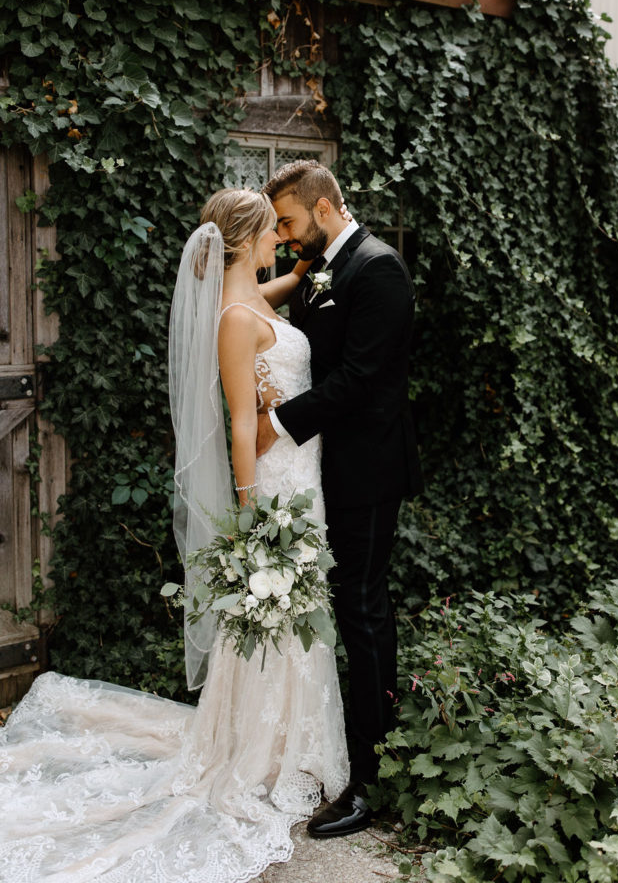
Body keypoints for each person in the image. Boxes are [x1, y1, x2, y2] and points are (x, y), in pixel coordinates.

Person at [0, 188, 349, 883]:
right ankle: (263, 749)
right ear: (247, 239)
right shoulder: (232, 318)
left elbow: (280, 289)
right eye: (272, 233)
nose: (280, 240)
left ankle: (291, 741)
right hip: (274, 491)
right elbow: (240, 427)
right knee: (275, 617)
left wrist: (320, 268)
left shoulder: (253, 299)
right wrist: (254, 517)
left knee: (295, 616)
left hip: (302, 478)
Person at [257, 160, 422, 838]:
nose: (286, 238)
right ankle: (334, 748)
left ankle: (373, 781)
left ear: (323, 210)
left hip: (367, 471)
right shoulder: (325, 264)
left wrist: (272, 426)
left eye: (290, 222)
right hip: (323, 467)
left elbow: (357, 378)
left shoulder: (377, 268)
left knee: (361, 608)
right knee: (341, 608)